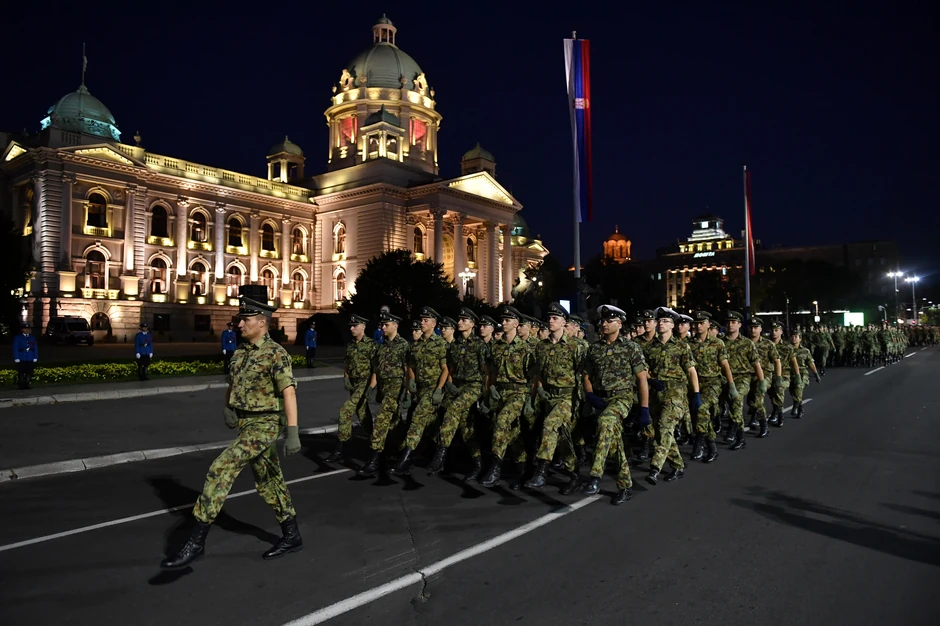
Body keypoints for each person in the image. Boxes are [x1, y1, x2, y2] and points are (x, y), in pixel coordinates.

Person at [160, 295, 303, 570]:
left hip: (266, 424)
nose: (239, 324)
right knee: (269, 480)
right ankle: (292, 534)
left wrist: (293, 431)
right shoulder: (240, 352)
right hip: (246, 424)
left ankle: (196, 542)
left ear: (262, 322)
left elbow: (288, 392)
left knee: (221, 468)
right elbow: (232, 383)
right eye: (240, 320)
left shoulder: (276, 354)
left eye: (245, 320)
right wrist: (228, 407)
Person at [581, 305, 649, 505]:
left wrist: (644, 409)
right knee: (614, 442)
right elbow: (586, 376)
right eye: (602, 320)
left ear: (619, 323)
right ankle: (625, 486)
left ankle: (595, 476)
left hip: (622, 398)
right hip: (601, 399)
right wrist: (590, 395)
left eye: (609, 321)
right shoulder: (594, 348)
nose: (604, 324)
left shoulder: (631, 347)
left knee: (605, 422)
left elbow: (642, 379)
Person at [527, 304, 583, 493]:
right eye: (549, 318)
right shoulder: (541, 346)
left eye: (555, 318)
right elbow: (538, 373)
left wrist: (582, 402)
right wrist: (538, 390)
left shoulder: (575, 346)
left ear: (564, 322)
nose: (550, 321)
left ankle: (541, 471)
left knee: (549, 425)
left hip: (567, 397)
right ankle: (575, 476)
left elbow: (582, 374)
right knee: (561, 439)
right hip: (548, 397)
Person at [427, 307, 488, 480]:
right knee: (465, 427)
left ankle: (440, 455)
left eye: (463, 320)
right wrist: (450, 383)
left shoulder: (479, 344)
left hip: (473, 386)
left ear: (472, 324)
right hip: (458, 387)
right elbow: (451, 367)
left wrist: (486, 394)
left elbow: (486, 371)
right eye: (459, 320)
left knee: (452, 411)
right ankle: (478, 464)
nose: (459, 322)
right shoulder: (455, 345)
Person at [645, 307, 700, 484]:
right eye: (660, 321)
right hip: (656, 394)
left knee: (664, 428)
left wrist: (696, 394)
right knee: (661, 432)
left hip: (675, 394)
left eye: (666, 321)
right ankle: (677, 466)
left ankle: (655, 468)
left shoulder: (682, 346)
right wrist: (650, 380)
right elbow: (644, 370)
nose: (661, 324)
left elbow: (691, 371)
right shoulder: (650, 347)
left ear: (672, 325)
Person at [393, 307, 449, 475]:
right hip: (420, 389)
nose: (422, 323)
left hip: (433, 390)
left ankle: (405, 459)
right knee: (431, 424)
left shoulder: (440, 344)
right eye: (422, 320)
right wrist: (410, 382)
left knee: (417, 418)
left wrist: (439, 389)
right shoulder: (415, 345)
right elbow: (411, 366)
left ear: (434, 323)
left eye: (426, 320)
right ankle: (437, 454)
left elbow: (446, 369)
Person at [359, 310, 410, 477]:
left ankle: (375, 457)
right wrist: (371, 388)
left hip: (395, 389)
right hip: (383, 389)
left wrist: (407, 392)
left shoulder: (403, 345)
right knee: (395, 421)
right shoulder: (381, 346)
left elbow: (407, 370)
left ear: (395, 326)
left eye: (386, 325)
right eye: (382, 325)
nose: (382, 327)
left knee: (381, 419)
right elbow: (376, 370)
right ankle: (400, 450)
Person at [326, 314, 376, 463]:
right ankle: (375, 442)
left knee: (345, 411)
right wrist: (346, 377)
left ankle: (341, 446)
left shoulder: (371, 345)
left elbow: (376, 369)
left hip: (364, 384)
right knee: (362, 413)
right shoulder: (351, 345)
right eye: (351, 326)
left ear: (363, 327)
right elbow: (347, 364)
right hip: (353, 384)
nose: (351, 328)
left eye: (355, 326)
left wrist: (371, 387)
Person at [690, 311, 734, 463]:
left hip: (713, 383)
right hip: (695, 385)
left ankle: (699, 441)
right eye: (696, 323)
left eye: (702, 323)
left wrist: (731, 385)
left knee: (701, 408)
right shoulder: (689, 344)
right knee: (701, 415)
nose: (699, 326)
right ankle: (712, 447)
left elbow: (725, 365)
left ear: (709, 324)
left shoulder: (717, 343)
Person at [722, 311, 763, 450]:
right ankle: (738, 435)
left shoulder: (747, 343)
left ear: (739, 325)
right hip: (724, 379)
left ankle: (736, 433)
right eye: (728, 322)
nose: (730, 325)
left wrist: (761, 382)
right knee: (729, 407)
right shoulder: (720, 343)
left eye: (734, 322)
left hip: (743, 378)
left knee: (736, 399)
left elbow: (756, 364)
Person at [13, 322, 38, 390]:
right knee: (21, 372)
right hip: (21, 357)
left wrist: (35, 356)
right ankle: (21, 384)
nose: (27, 330)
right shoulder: (18, 338)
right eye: (25, 329)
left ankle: (27, 384)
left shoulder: (32, 337)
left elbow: (35, 348)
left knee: (29, 371)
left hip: (30, 356)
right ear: (22, 330)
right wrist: (16, 357)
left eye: (28, 329)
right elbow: (15, 348)